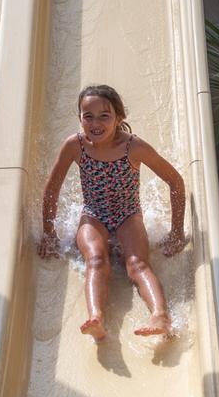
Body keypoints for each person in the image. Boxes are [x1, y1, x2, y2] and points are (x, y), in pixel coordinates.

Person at [39, 84, 186, 341]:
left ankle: (160, 315)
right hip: (93, 214)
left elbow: (175, 181)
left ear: (119, 118)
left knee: (137, 265)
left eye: (104, 116)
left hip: (128, 215)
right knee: (96, 259)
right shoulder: (75, 145)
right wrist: (49, 233)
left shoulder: (133, 147)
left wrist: (177, 231)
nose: (95, 123)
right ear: (80, 118)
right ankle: (96, 317)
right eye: (88, 116)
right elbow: (52, 188)